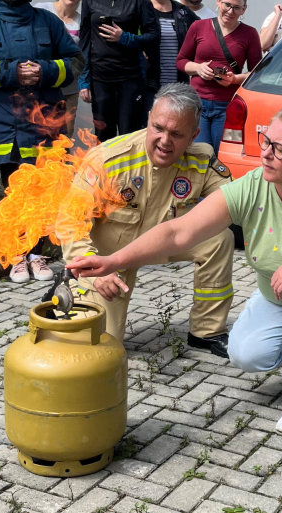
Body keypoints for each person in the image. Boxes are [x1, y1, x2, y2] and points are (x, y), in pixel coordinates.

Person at [68, 104, 282, 435]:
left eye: (280, 149)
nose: (266, 154)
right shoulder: (255, 185)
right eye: (266, 141)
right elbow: (178, 232)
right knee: (245, 354)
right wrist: (114, 261)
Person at [61, 84, 234, 357]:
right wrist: (91, 268)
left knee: (220, 238)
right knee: (105, 347)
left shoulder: (202, 159)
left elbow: (237, 202)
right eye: (158, 128)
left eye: (177, 134)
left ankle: (206, 330)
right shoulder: (108, 160)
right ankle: (71, 279)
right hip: (108, 261)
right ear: (149, 118)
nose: (165, 141)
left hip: (163, 245)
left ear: (193, 135)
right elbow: (70, 221)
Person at [0, 0, 84, 283]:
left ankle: (36, 255)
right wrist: (10, 72)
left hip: (45, 123)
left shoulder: (48, 21)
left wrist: (46, 72)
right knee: (14, 192)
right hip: (5, 123)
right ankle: (16, 256)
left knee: (41, 193)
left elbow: (75, 61)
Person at [176, 0, 263, 155]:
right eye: (227, 5)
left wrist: (234, 79)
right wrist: (198, 68)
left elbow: (256, 74)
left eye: (236, 8)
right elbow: (181, 61)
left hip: (227, 107)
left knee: (222, 156)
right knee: (200, 154)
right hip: (198, 104)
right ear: (218, 3)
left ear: (244, 10)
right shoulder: (198, 27)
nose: (230, 11)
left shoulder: (249, 34)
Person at [78, 0, 160, 141]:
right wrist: (84, 81)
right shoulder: (88, 1)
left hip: (131, 79)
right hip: (100, 80)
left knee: (129, 135)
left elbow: (154, 37)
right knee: (103, 135)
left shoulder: (140, 2)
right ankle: (104, 164)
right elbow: (84, 42)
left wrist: (125, 38)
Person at [35, 0, 83, 137]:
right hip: (42, 89)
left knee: (64, 137)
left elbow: (82, 58)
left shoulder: (82, 22)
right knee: (40, 134)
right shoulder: (41, 9)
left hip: (69, 91)